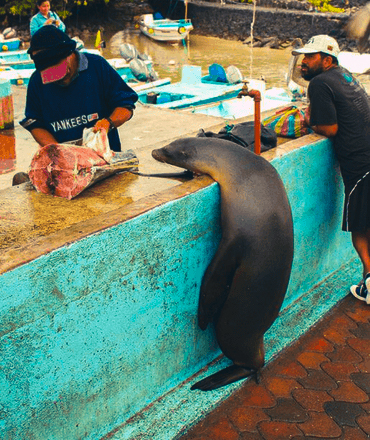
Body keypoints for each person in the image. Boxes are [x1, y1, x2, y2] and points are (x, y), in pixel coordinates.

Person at [292, 34, 370, 305]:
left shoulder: (321, 83)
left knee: (360, 227)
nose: (303, 61)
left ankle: (369, 283)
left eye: (309, 57)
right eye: (303, 56)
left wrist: (311, 122)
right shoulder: (345, 76)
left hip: (360, 166)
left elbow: (330, 128)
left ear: (327, 60)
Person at [20, 25, 138, 153]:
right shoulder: (37, 81)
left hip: (105, 156)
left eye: (58, 72)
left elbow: (126, 105)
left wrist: (109, 122)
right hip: (65, 160)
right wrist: (58, 151)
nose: (56, 79)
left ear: (69, 55)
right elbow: (35, 123)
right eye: (49, 75)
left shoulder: (97, 66)